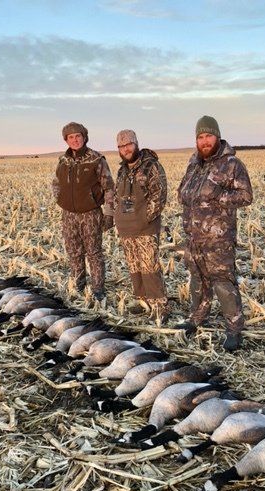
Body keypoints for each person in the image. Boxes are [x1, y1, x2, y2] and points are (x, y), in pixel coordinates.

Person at [177, 116, 253, 351]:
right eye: (200, 137)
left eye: (208, 136)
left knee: (223, 283)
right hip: (193, 237)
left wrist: (218, 198)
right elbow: (183, 193)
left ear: (217, 136)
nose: (204, 141)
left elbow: (246, 195)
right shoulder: (194, 165)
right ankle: (197, 317)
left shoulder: (231, 164)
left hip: (218, 240)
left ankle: (234, 328)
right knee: (197, 279)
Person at [52, 122, 114, 300]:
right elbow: (56, 183)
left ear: (84, 137)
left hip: (90, 213)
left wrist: (108, 213)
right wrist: (61, 200)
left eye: (78, 136)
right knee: (73, 251)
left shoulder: (96, 159)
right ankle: (79, 286)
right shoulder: (63, 161)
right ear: (66, 140)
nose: (75, 140)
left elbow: (109, 187)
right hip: (69, 215)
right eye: (70, 137)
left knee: (93, 252)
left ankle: (98, 289)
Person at [113, 129, 169, 321]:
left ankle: (159, 306)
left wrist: (145, 218)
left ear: (136, 144)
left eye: (129, 144)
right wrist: (117, 216)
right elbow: (116, 197)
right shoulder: (122, 170)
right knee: (134, 266)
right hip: (126, 228)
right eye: (121, 146)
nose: (126, 149)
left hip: (145, 227)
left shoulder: (150, 166)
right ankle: (142, 301)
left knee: (149, 267)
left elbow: (159, 195)